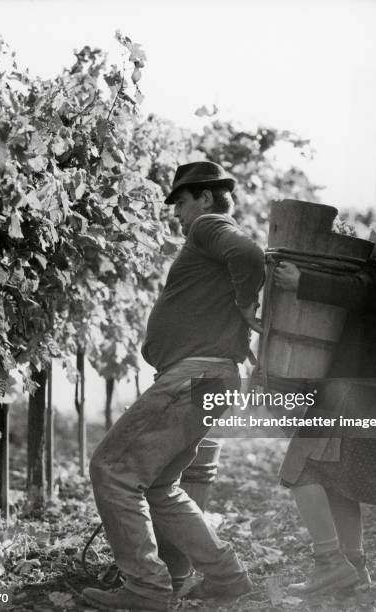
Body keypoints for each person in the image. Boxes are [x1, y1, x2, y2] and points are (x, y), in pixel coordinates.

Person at [82, 161, 265, 611]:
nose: (177, 214)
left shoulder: (208, 227)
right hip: (208, 378)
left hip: (192, 378)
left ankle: (146, 588)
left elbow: (248, 255)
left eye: (180, 202)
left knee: (111, 469)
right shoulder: (209, 235)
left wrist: (246, 307)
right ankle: (227, 577)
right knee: (160, 486)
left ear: (205, 196)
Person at [274, 210, 376, 596]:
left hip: (350, 395)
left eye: (372, 239)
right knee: (342, 484)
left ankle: (328, 564)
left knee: (301, 468)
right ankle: (356, 572)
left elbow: (356, 289)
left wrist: (300, 280)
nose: (367, 246)